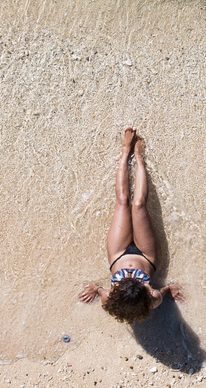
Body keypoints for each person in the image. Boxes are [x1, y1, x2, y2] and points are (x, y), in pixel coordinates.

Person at [78, 127, 184, 323]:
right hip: (146, 255)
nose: (128, 275)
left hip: (118, 253)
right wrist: (171, 288)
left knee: (123, 201)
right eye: (142, 286)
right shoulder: (153, 299)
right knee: (138, 205)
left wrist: (96, 289)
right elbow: (164, 289)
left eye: (126, 282)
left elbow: (101, 290)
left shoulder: (108, 299)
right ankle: (139, 157)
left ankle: (126, 151)